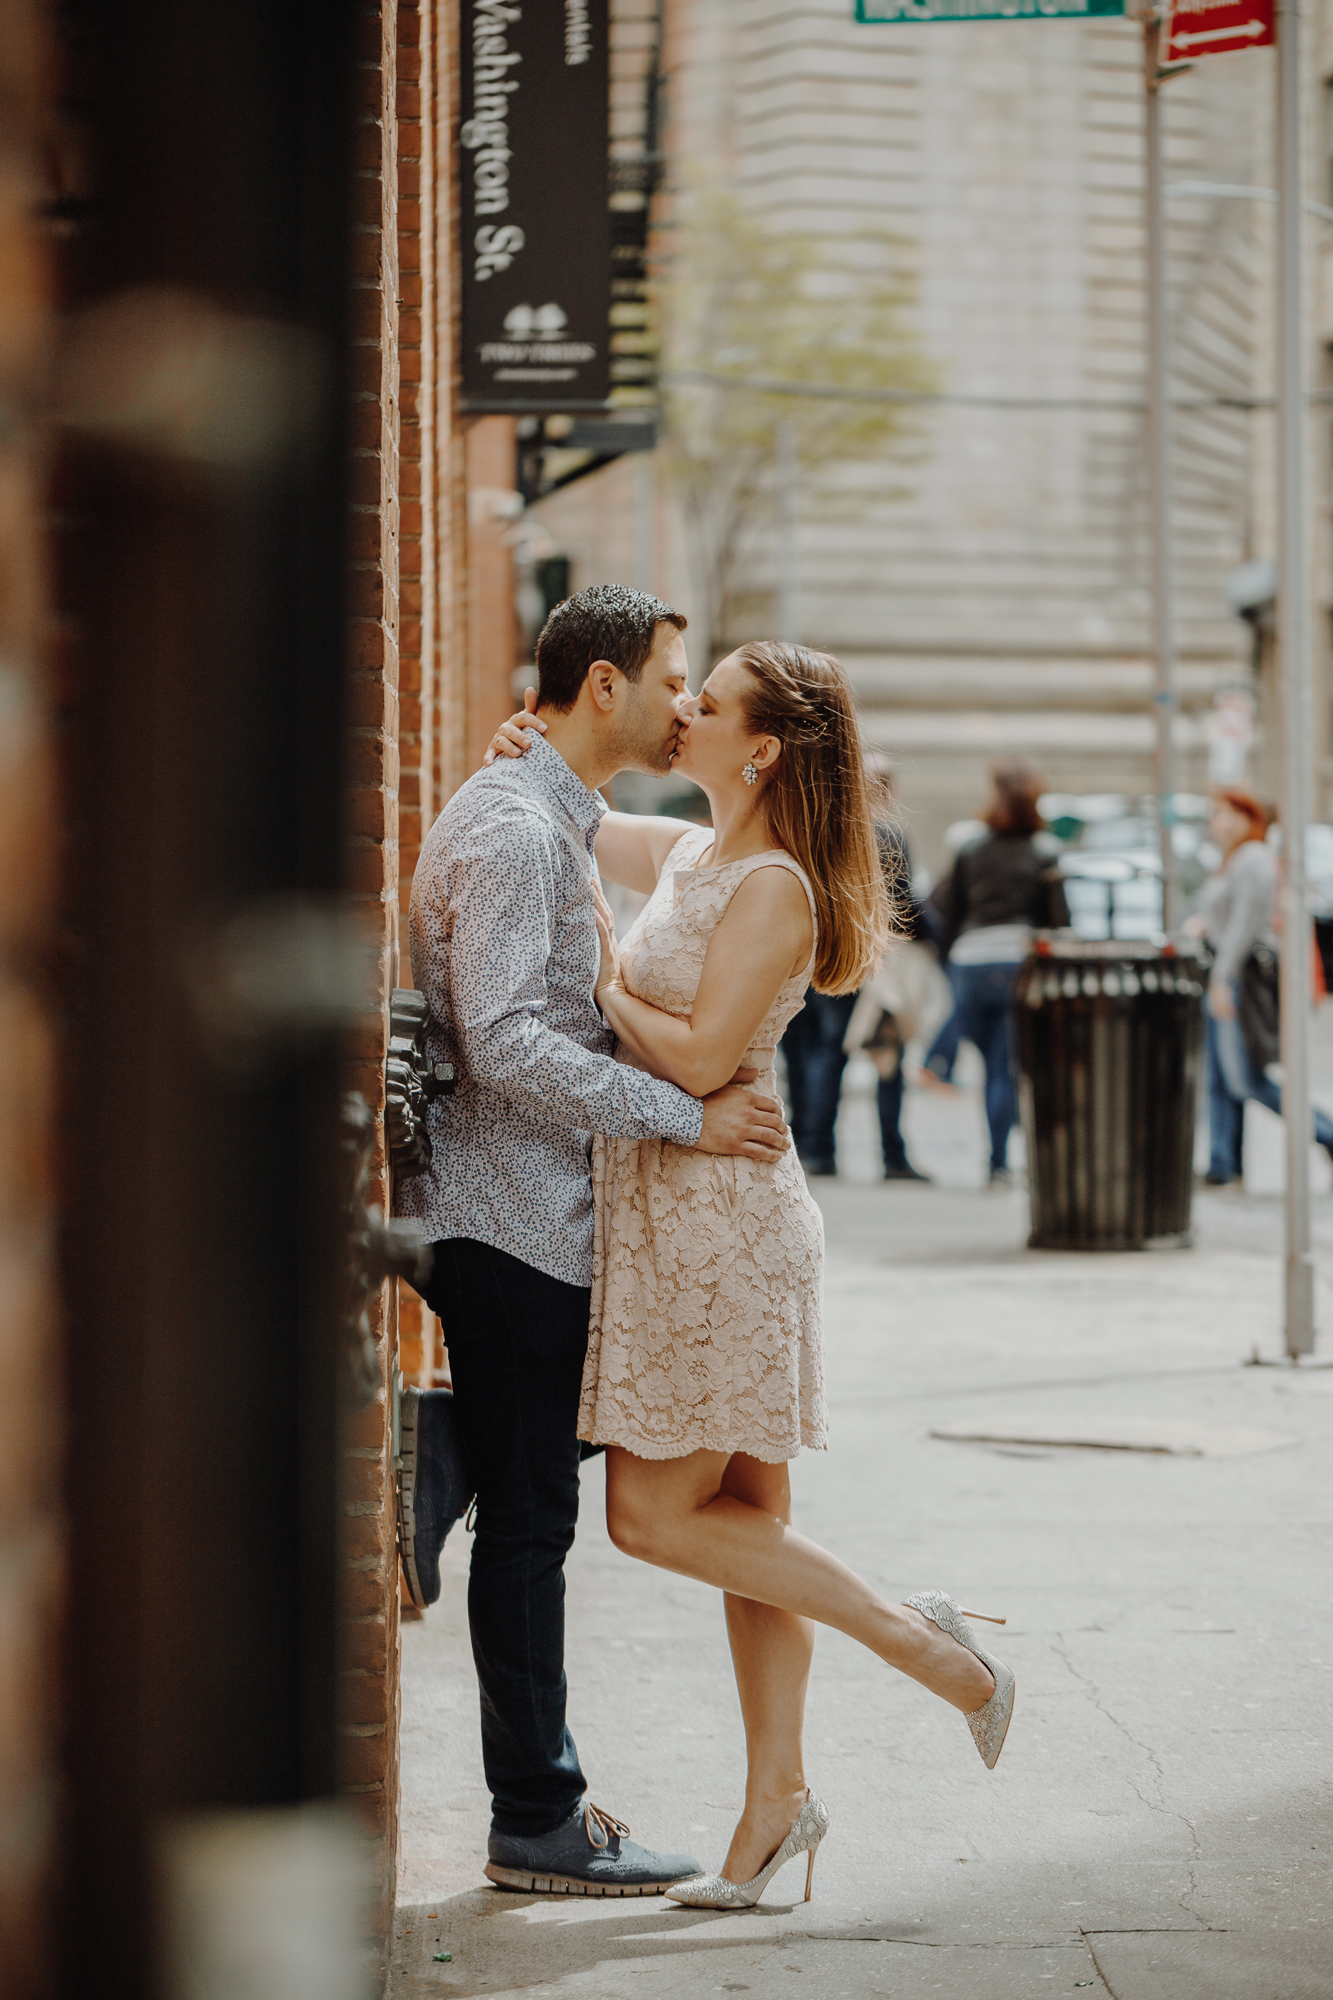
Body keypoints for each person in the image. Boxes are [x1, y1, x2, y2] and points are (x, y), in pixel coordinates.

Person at [489, 641, 1016, 1912]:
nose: (683, 711)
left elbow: (698, 1053)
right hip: (681, 1210)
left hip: (719, 1228)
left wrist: (604, 978)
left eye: (707, 703)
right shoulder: (693, 849)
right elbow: (585, 819)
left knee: (652, 1516)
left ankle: (924, 1642)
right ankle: (774, 1809)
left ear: (764, 745)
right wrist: (529, 756)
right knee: (748, 1534)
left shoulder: (771, 882)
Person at [396, 584, 791, 1898]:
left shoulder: (542, 811)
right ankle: (538, 1821)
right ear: (605, 686)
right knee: (533, 1525)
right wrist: (680, 1115)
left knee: (532, 1480)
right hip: (507, 1221)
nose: (684, 701)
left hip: (529, 1221)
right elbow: (506, 1039)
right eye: (672, 677)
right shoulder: (514, 832)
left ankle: (441, 1450)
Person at [780, 761, 928, 1180]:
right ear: (888, 790)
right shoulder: (889, 835)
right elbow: (905, 905)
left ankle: (817, 1149)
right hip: (872, 961)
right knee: (887, 1053)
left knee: (827, 1052)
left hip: (818, 957)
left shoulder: (822, 829)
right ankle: (893, 1156)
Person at [1185, 787, 1333, 1185]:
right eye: (1216, 813)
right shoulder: (1232, 862)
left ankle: (1327, 1133)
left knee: (1246, 1079)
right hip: (1225, 974)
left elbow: (1243, 928)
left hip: (1238, 979)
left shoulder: (1252, 861)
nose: (1219, 822)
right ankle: (1223, 1163)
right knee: (1219, 1079)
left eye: (1228, 814)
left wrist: (1220, 979)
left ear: (1250, 819)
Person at [932, 762, 1069, 1185]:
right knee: (1004, 1068)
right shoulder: (1045, 852)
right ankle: (997, 1162)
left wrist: (951, 961)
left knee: (991, 1066)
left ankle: (941, 1065)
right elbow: (1059, 921)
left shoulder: (971, 850)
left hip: (970, 966)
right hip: (1016, 965)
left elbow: (945, 910)